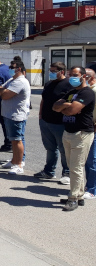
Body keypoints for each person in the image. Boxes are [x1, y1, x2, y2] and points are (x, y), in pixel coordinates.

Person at [53, 66, 95, 211]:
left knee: (76, 167)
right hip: (68, 132)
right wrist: (66, 104)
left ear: (84, 76)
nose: (72, 78)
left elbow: (71, 111)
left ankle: (73, 198)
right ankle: (79, 195)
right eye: (70, 75)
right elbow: (55, 106)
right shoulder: (71, 92)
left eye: (75, 75)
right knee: (72, 166)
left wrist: (65, 107)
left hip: (81, 134)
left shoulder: (87, 93)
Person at [34, 62, 70, 183]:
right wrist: (40, 115)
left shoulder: (68, 85)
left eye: (54, 71)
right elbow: (43, 100)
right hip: (45, 121)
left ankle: (67, 173)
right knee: (50, 148)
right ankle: (49, 171)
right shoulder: (49, 84)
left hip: (60, 123)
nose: (51, 73)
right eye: (50, 71)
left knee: (64, 149)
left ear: (62, 72)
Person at [0, 60, 31, 174]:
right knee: (13, 140)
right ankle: (14, 160)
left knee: (17, 140)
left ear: (19, 69)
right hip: (9, 114)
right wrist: (2, 90)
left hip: (16, 115)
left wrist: (3, 91)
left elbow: (5, 95)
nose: (10, 69)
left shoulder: (20, 81)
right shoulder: (12, 80)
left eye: (12, 67)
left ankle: (19, 164)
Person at [83, 68, 96, 200]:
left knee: (92, 160)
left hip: (93, 128)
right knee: (88, 160)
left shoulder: (94, 91)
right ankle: (89, 186)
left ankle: (92, 189)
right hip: (88, 128)